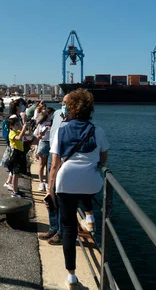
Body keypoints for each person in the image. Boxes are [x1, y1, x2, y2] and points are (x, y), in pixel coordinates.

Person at [47, 89, 109, 288]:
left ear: (70, 109)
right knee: (89, 190)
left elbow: (54, 165)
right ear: (90, 109)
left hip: (65, 182)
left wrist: (50, 189)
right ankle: (89, 217)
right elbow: (103, 159)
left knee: (68, 228)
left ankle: (72, 277)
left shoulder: (61, 131)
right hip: (91, 182)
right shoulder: (97, 131)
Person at [7, 116, 30, 198]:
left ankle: (16, 190)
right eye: (16, 124)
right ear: (11, 126)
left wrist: (28, 127)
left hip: (20, 153)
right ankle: (14, 192)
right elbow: (19, 138)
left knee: (17, 173)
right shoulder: (12, 133)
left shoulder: (18, 131)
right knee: (15, 174)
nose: (18, 125)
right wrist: (23, 128)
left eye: (18, 124)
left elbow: (28, 134)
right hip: (15, 154)